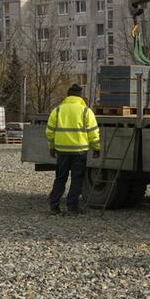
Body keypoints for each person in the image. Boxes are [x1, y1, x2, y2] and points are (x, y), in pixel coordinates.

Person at [46, 84, 100, 215]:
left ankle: (54, 206)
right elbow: (93, 132)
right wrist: (96, 148)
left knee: (60, 178)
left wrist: (51, 147)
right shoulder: (86, 111)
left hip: (62, 151)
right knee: (77, 179)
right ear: (80, 96)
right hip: (79, 151)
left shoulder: (58, 110)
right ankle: (72, 207)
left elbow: (50, 131)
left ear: (68, 95)